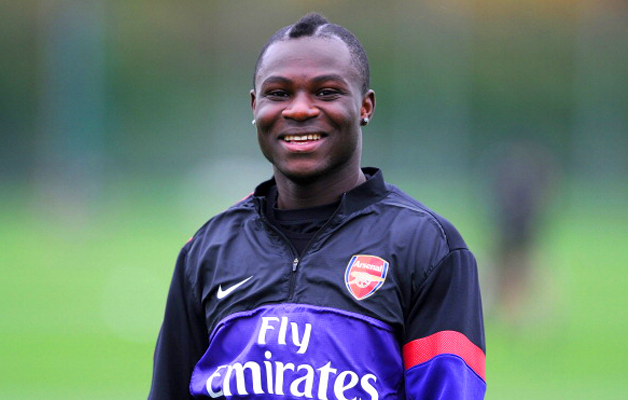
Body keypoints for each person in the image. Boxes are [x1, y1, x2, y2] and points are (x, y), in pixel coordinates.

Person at [148, 13, 486, 400]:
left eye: (326, 92)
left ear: (365, 106)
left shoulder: (428, 247)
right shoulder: (206, 249)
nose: (300, 109)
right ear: (255, 107)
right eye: (279, 93)